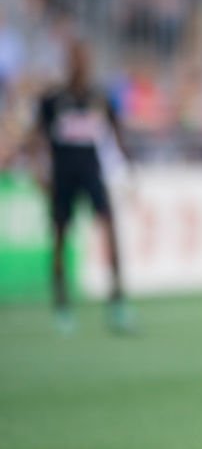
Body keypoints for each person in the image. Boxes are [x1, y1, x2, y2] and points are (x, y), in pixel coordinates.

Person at [31, 38, 132, 333]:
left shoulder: (98, 96)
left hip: (92, 173)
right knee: (60, 238)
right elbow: (37, 138)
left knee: (110, 229)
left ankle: (117, 301)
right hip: (63, 176)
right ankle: (62, 305)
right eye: (76, 60)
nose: (81, 66)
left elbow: (116, 131)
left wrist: (127, 168)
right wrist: (39, 169)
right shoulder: (53, 100)